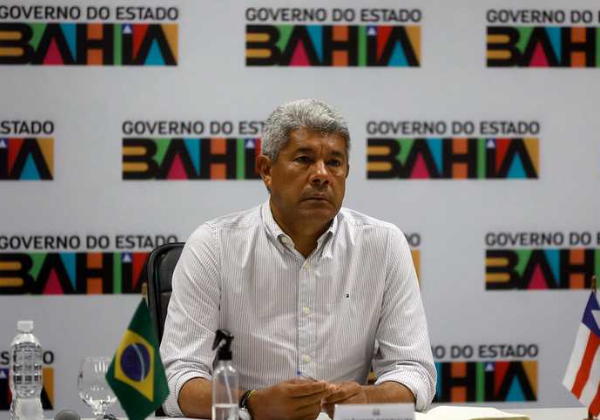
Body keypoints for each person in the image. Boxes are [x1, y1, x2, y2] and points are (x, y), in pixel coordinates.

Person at [160, 99, 436, 420]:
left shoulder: (384, 245)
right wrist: (251, 403)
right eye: (304, 159)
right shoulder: (213, 245)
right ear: (266, 170)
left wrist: (365, 399)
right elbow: (176, 378)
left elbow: (414, 370)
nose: (321, 175)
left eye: (334, 162)